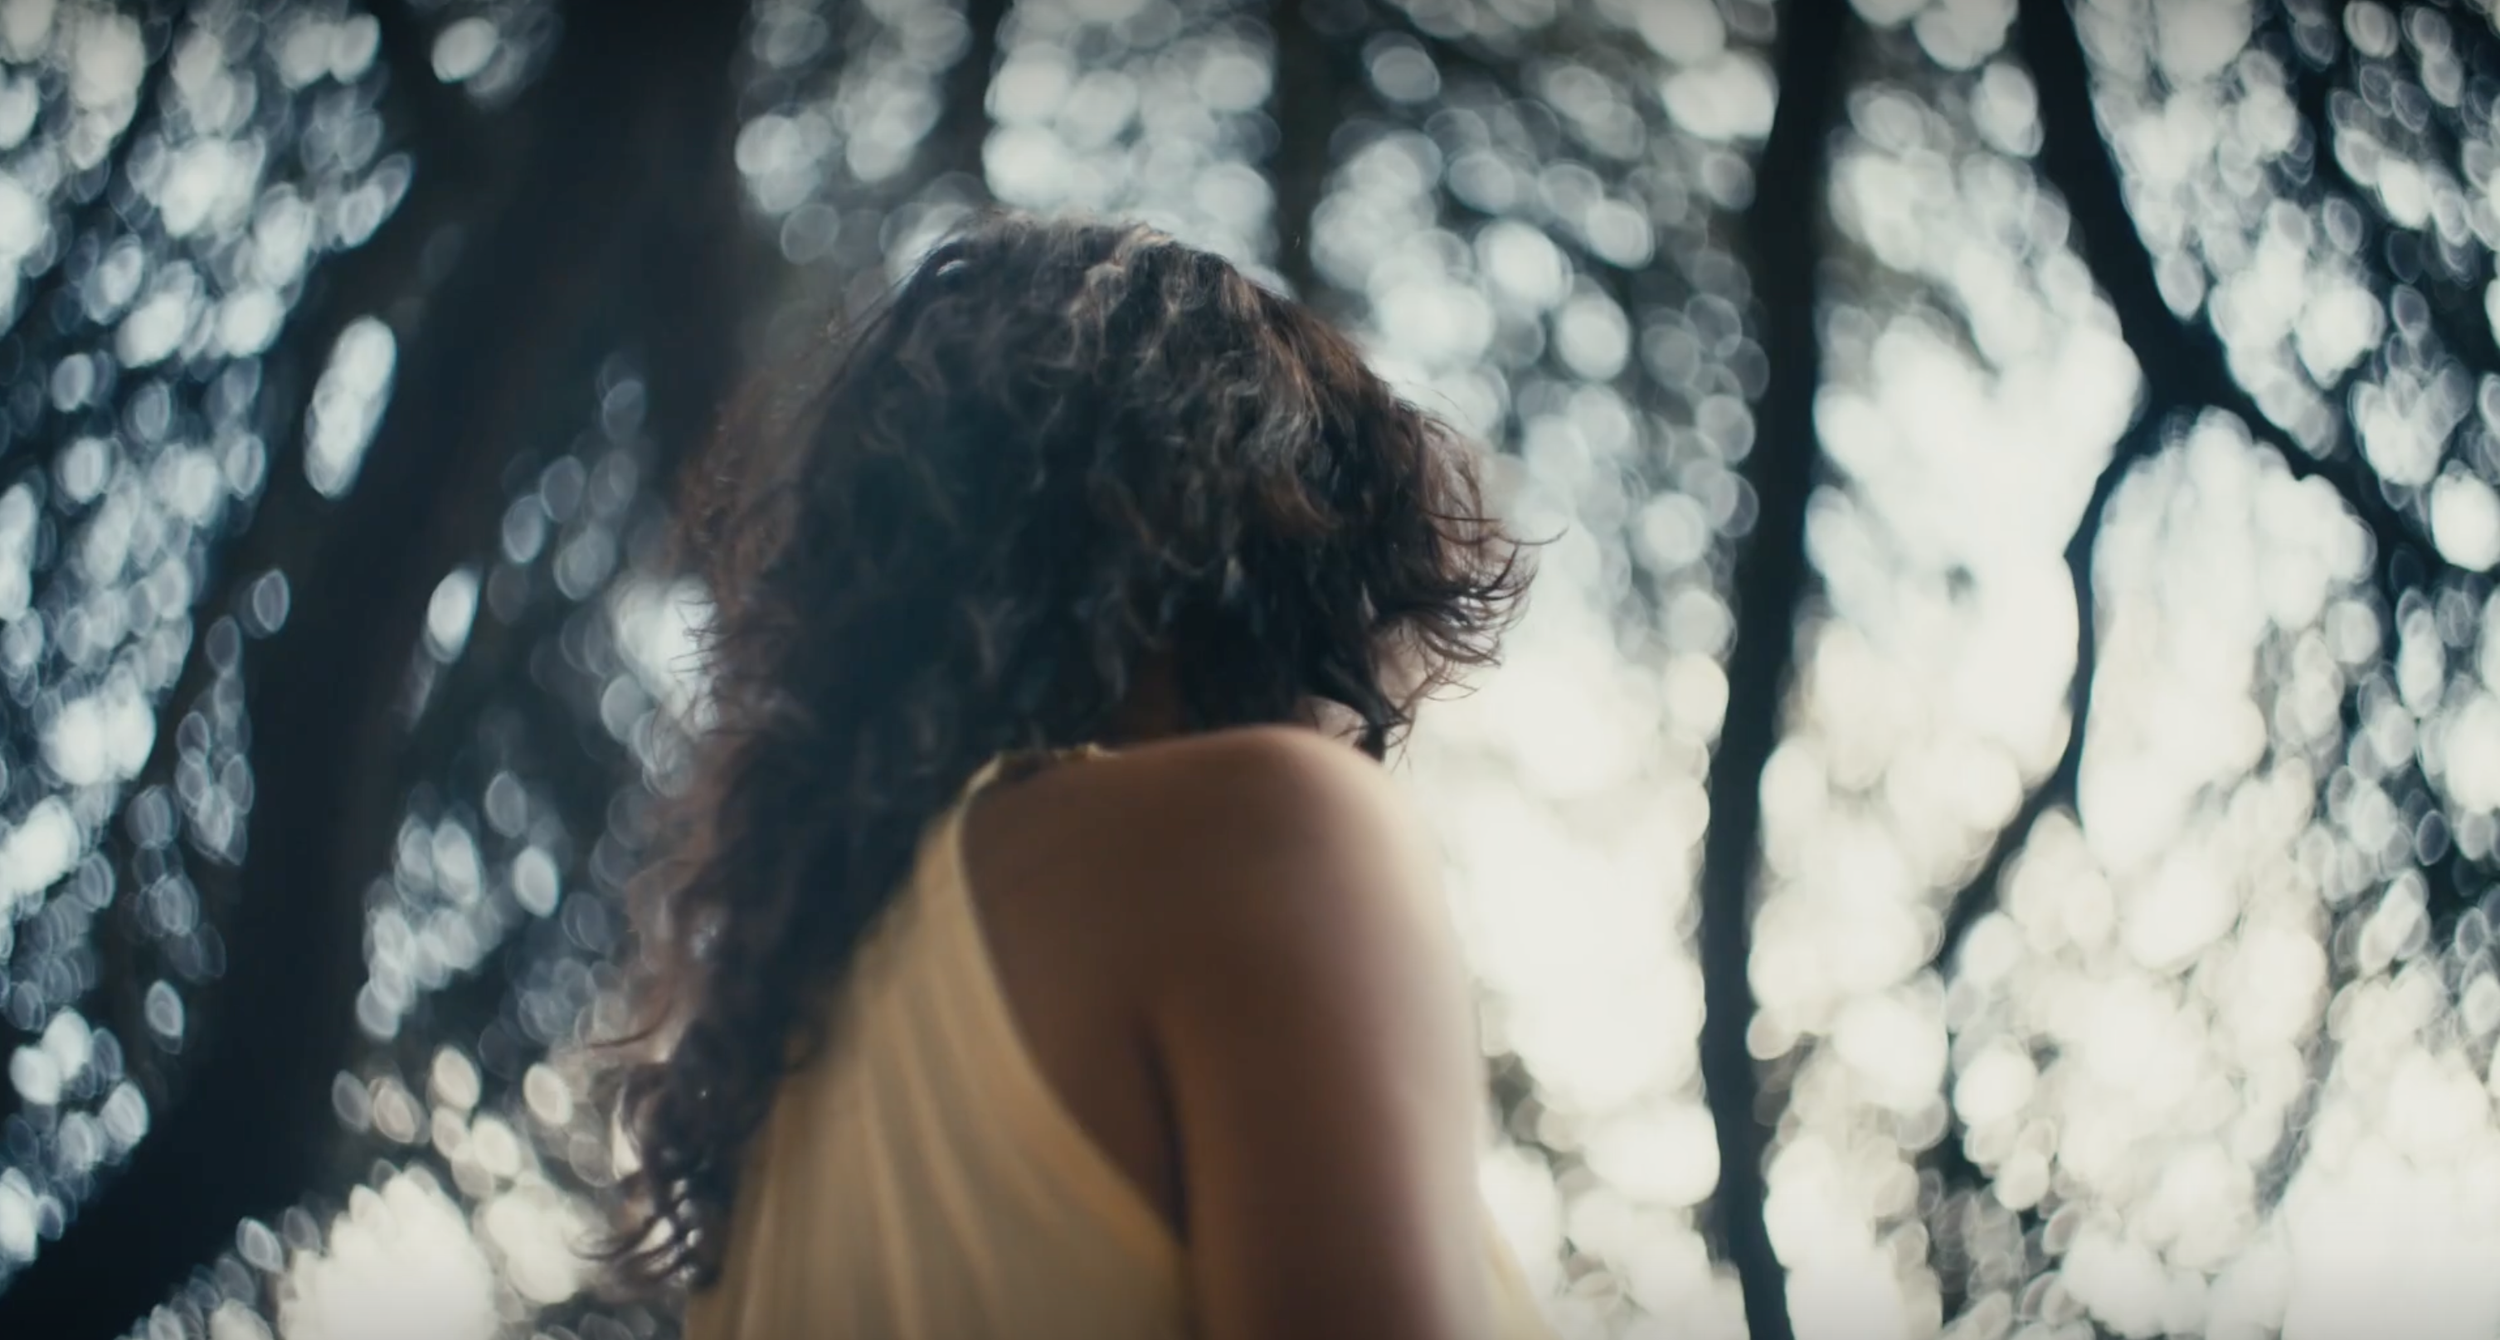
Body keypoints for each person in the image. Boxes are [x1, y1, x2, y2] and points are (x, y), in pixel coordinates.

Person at [600, 212, 1546, 1340]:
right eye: (1361, 615)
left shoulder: (775, 1109)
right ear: (1266, 561)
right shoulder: (1257, 828)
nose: (1359, 714)